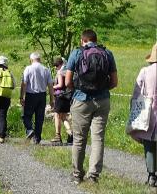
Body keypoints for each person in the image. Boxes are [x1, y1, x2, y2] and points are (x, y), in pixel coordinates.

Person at [65, 29, 118, 184]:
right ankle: (93, 175)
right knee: (98, 138)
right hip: (102, 101)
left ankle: (77, 174)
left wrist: (77, 89)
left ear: (83, 40)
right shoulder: (107, 54)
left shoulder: (76, 53)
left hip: (81, 100)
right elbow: (114, 82)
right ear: (96, 39)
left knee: (79, 139)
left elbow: (68, 82)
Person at [128, 42, 157, 187]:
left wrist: (132, 107)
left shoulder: (145, 71)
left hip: (150, 114)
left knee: (149, 145)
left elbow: (136, 93)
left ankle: (152, 176)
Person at [20, 52, 54, 144]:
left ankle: (30, 129)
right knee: (39, 118)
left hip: (31, 95)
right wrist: (52, 99)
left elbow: (24, 83)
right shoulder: (46, 69)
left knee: (26, 115)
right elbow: (50, 85)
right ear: (40, 59)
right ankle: (37, 139)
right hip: (42, 96)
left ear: (31, 59)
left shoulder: (28, 68)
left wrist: (21, 97)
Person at [51, 57, 73, 145]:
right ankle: (70, 133)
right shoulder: (68, 71)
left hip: (60, 97)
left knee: (57, 116)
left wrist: (51, 87)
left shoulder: (60, 73)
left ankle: (58, 136)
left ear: (60, 64)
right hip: (67, 97)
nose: (56, 67)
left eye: (56, 65)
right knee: (63, 117)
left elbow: (60, 85)